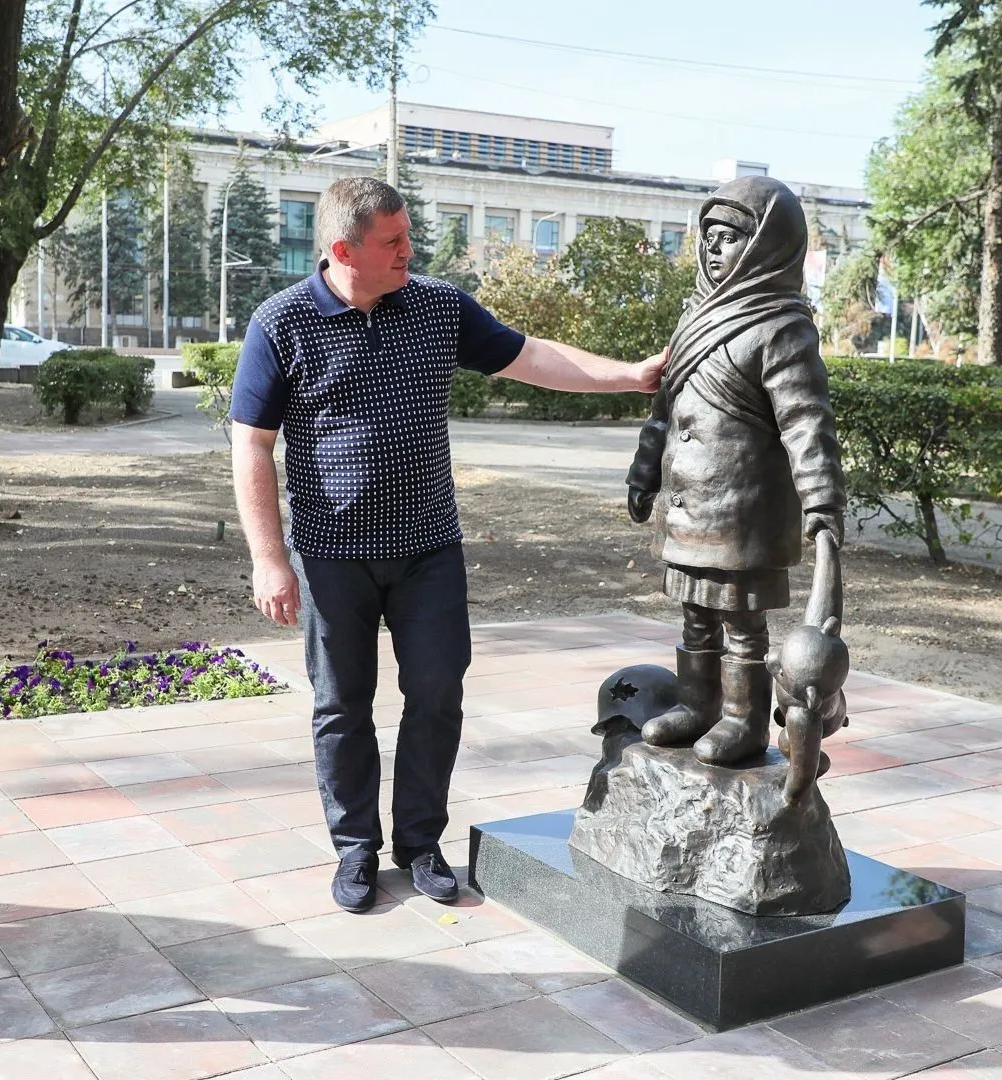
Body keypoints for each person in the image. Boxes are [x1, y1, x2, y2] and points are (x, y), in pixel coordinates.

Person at [231, 177, 664, 913]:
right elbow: (251, 443)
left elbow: (532, 357)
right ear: (344, 249)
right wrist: (270, 558)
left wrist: (629, 377)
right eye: (394, 242)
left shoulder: (435, 306)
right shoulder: (282, 324)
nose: (411, 251)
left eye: (408, 238)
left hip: (429, 546)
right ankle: (356, 849)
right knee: (342, 704)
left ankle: (420, 843)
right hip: (332, 553)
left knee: (437, 695)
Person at [625, 175, 846, 766]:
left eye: (729, 238)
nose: (713, 248)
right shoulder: (694, 316)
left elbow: (807, 423)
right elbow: (664, 408)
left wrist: (823, 504)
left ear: (766, 245)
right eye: (709, 237)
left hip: (744, 512)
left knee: (743, 625)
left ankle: (743, 721)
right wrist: (644, 470)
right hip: (690, 506)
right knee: (695, 616)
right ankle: (697, 705)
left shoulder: (783, 327)